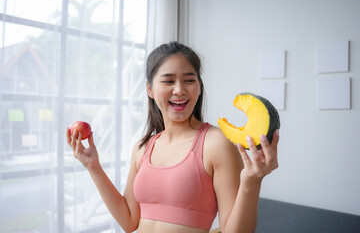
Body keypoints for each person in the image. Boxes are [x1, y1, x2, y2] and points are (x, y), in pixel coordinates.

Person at [66, 41, 279, 233]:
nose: (179, 90)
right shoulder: (143, 147)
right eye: (168, 81)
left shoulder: (216, 143)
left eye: (189, 80)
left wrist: (251, 182)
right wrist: (93, 167)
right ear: (150, 89)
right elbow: (129, 221)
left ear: (198, 87)